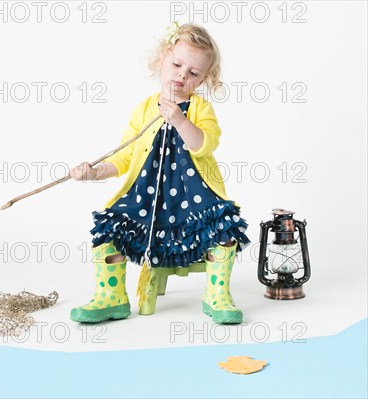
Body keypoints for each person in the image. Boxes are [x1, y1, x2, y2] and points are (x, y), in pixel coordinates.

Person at [68, 22, 251, 325]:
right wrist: (95, 172)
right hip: (146, 197)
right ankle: (111, 296)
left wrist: (180, 119)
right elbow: (125, 157)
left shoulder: (200, 109)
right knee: (108, 234)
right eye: (177, 64)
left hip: (193, 198)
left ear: (204, 78)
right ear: (160, 61)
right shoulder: (143, 109)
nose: (182, 74)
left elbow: (203, 144)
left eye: (193, 73)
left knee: (224, 234)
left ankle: (217, 296)